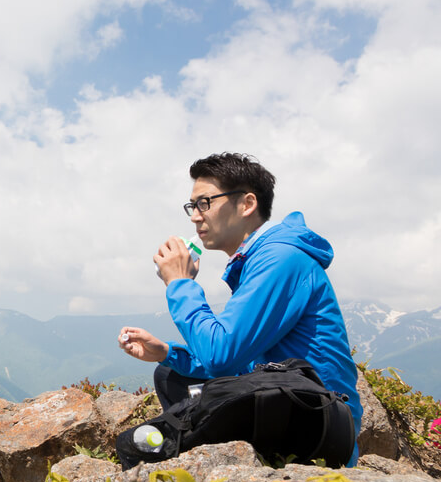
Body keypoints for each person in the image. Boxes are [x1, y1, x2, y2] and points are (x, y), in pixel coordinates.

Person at [117, 152, 363, 465]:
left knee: (138, 446)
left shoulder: (280, 260)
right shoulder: (259, 260)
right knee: (171, 375)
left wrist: (180, 283)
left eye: (205, 203)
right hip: (286, 396)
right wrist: (167, 352)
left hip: (314, 419)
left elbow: (222, 356)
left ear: (246, 204)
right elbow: (245, 361)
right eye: (192, 206)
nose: (195, 216)